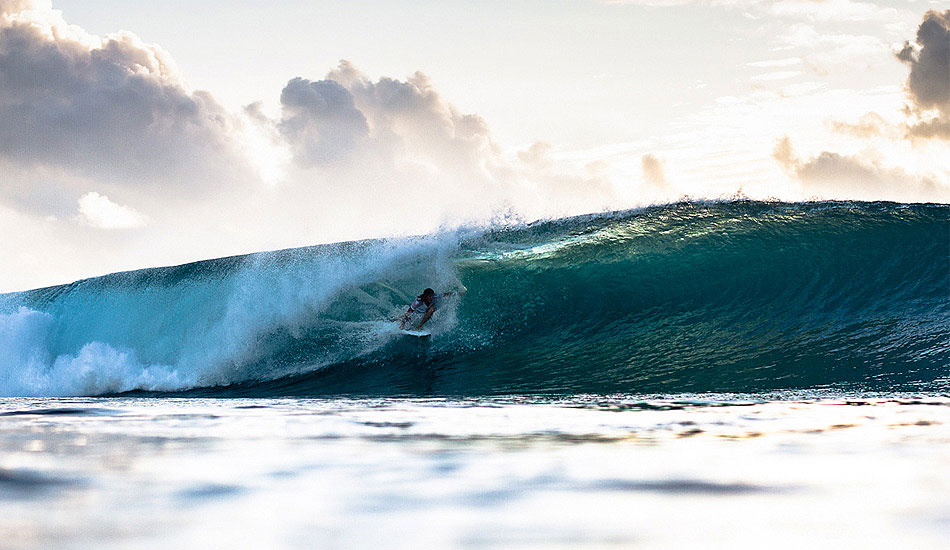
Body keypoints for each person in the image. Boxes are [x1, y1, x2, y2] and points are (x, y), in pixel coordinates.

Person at [399, 287, 464, 330]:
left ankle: (419, 326)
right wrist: (403, 324)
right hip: (416, 313)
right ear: (425, 296)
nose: (431, 297)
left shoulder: (435, 297)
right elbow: (409, 312)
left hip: (426, 312)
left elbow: (446, 294)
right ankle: (398, 320)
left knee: (432, 309)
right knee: (405, 319)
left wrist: (457, 294)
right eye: (430, 296)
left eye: (432, 295)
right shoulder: (418, 301)